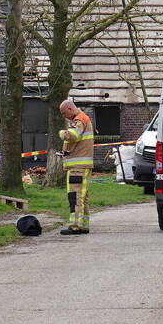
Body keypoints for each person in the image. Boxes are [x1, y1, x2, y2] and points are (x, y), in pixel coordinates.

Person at [58, 99, 94, 235]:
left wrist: (62, 133)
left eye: (64, 113)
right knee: (83, 196)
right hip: (82, 166)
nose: (64, 116)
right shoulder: (84, 119)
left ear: (69, 109)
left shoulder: (79, 120)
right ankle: (83, 225)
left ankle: (75, 226)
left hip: (77, 167)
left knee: (75, 195)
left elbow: (73, 136)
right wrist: (66, 152)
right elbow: (78, 143)